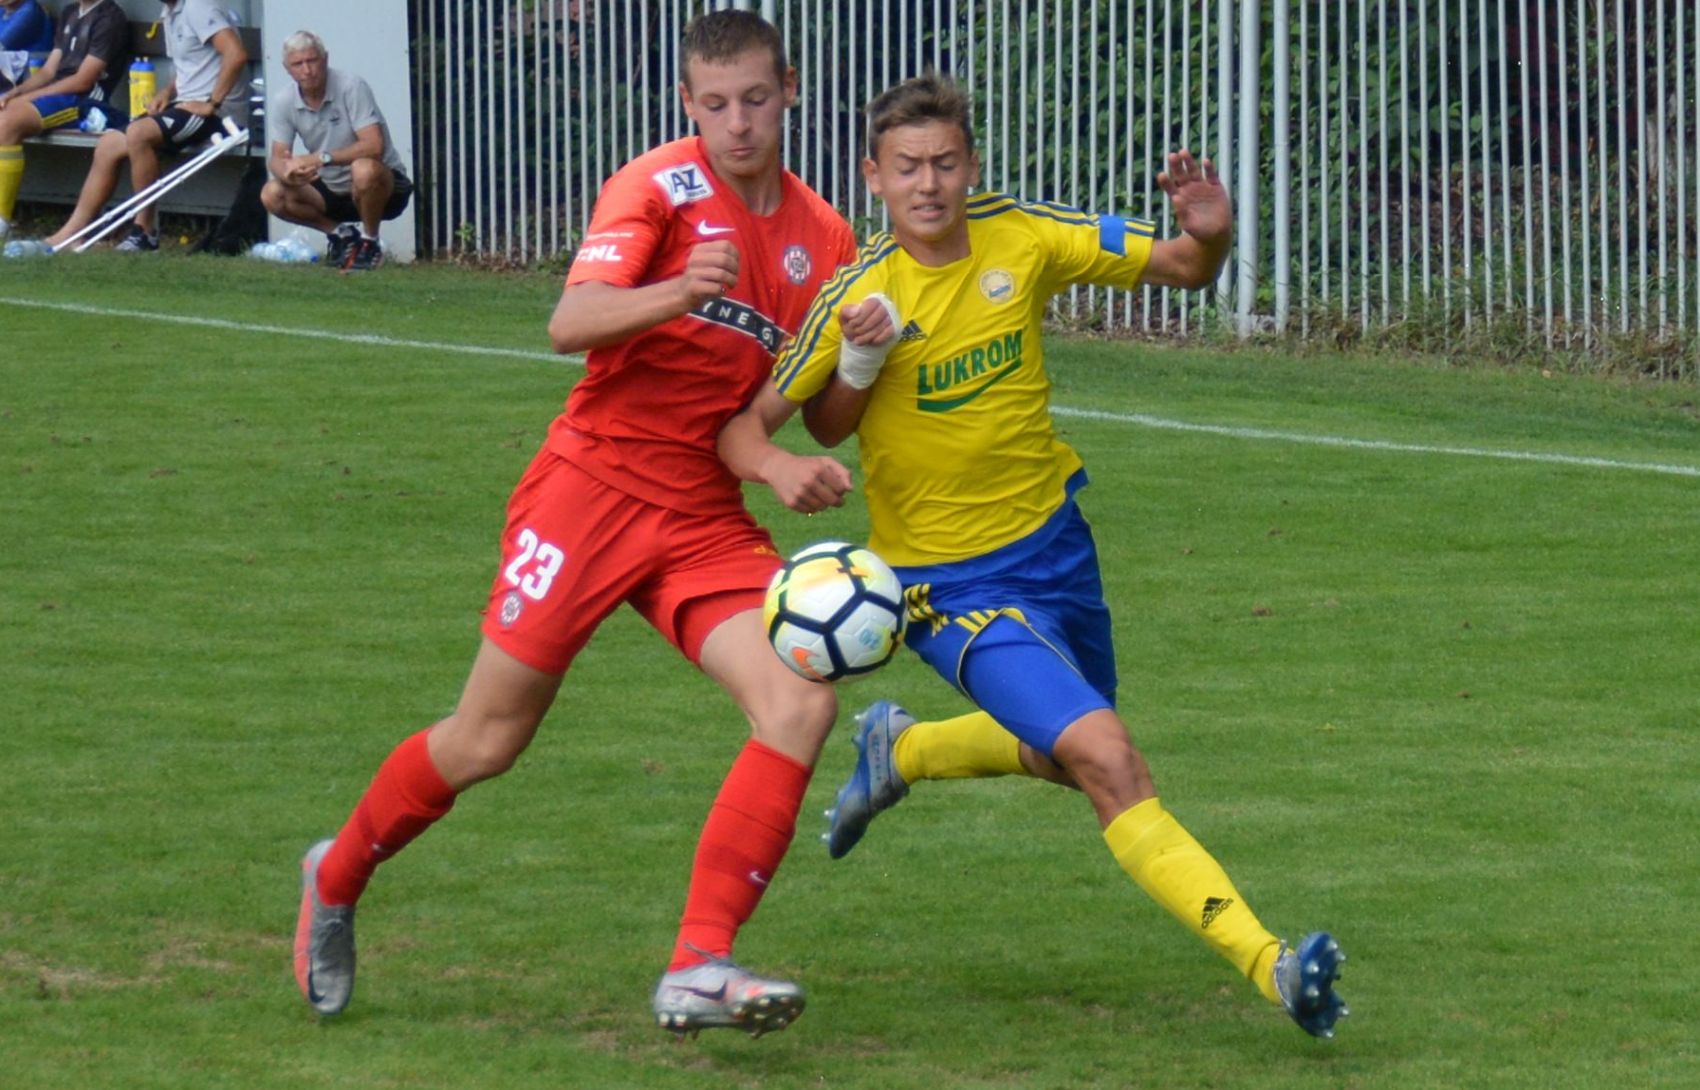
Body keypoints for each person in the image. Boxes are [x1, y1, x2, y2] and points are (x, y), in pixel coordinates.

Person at [718, 72, 1350, 1039]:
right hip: (942, 585)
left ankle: (909, 749)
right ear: (872, 179)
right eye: (905, 168)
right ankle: (1273, 966)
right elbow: (753, 428)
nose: (927, 184)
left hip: (1058, 548)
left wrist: (1211, 229)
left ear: (971, 166)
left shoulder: (1025, 234)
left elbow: (1185, 269)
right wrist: (784, 462)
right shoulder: (860, 292)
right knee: (1106, 758)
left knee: (1073, 761)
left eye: (944, 163)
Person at [292, 10, 857, 1039]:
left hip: (699, 510)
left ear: (790, 90)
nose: (737, 123)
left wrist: (818, 412)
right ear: (688, 104)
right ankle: (336, 870)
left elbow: (794, 404)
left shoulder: (825, 237)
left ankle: (696, 965)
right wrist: (675, 289)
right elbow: (570, 322)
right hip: (587, 489)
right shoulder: (654, 188)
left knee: (798, 704)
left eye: (756, 100)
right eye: (715, 104)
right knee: (487, 739)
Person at [33, 0, 249, 254]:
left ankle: (145, 232)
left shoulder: (198, 6)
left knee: (138, 133)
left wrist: (212, 103)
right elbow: (191, 67)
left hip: (220, 116)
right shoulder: (170, 12)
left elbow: (236, 54)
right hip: (183, 106)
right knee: (108, 144)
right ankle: (72, 233)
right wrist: (166, 92)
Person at [261, 30, 412, 272]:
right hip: (330, 188)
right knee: (271, 193)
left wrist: (321, 158)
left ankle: (370, 242)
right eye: (298, 64)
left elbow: (374, 146)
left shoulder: (352, 86)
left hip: (384, 186)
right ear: (287, 68)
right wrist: (287, 172)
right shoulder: (284, 100)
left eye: (312, 61)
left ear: (325, 59)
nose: (307, 70)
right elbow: (277, 157)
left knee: (363, 168)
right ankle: (342, 235)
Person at [0, 0, 129, 243]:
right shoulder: (70, 11)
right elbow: (49, 72)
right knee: (5, 112)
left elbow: (83, 81)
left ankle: (2, 220)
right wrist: (16, 93)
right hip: (57, 95)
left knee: (6, 123)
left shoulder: (109, 18)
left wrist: (27, 98)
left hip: (85, 104)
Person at [0, 0, 54, 95]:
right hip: (9, 72)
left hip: (31, 72)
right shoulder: (3, 11)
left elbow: (2, 44)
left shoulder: (30, 11)